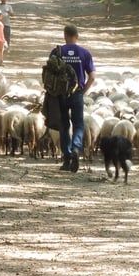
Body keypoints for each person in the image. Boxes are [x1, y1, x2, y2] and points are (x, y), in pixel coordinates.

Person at [55, 24, 96, 172]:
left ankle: (67, 159)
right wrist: (82, 92)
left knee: (64, 125)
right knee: (78, 124)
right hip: (77, 93)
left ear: (65, 36)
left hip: (61, 94)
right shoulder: (85, 53)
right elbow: (92, 77)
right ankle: (76, 149)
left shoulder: (57, 52)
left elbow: (49, 75)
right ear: (77, 36)